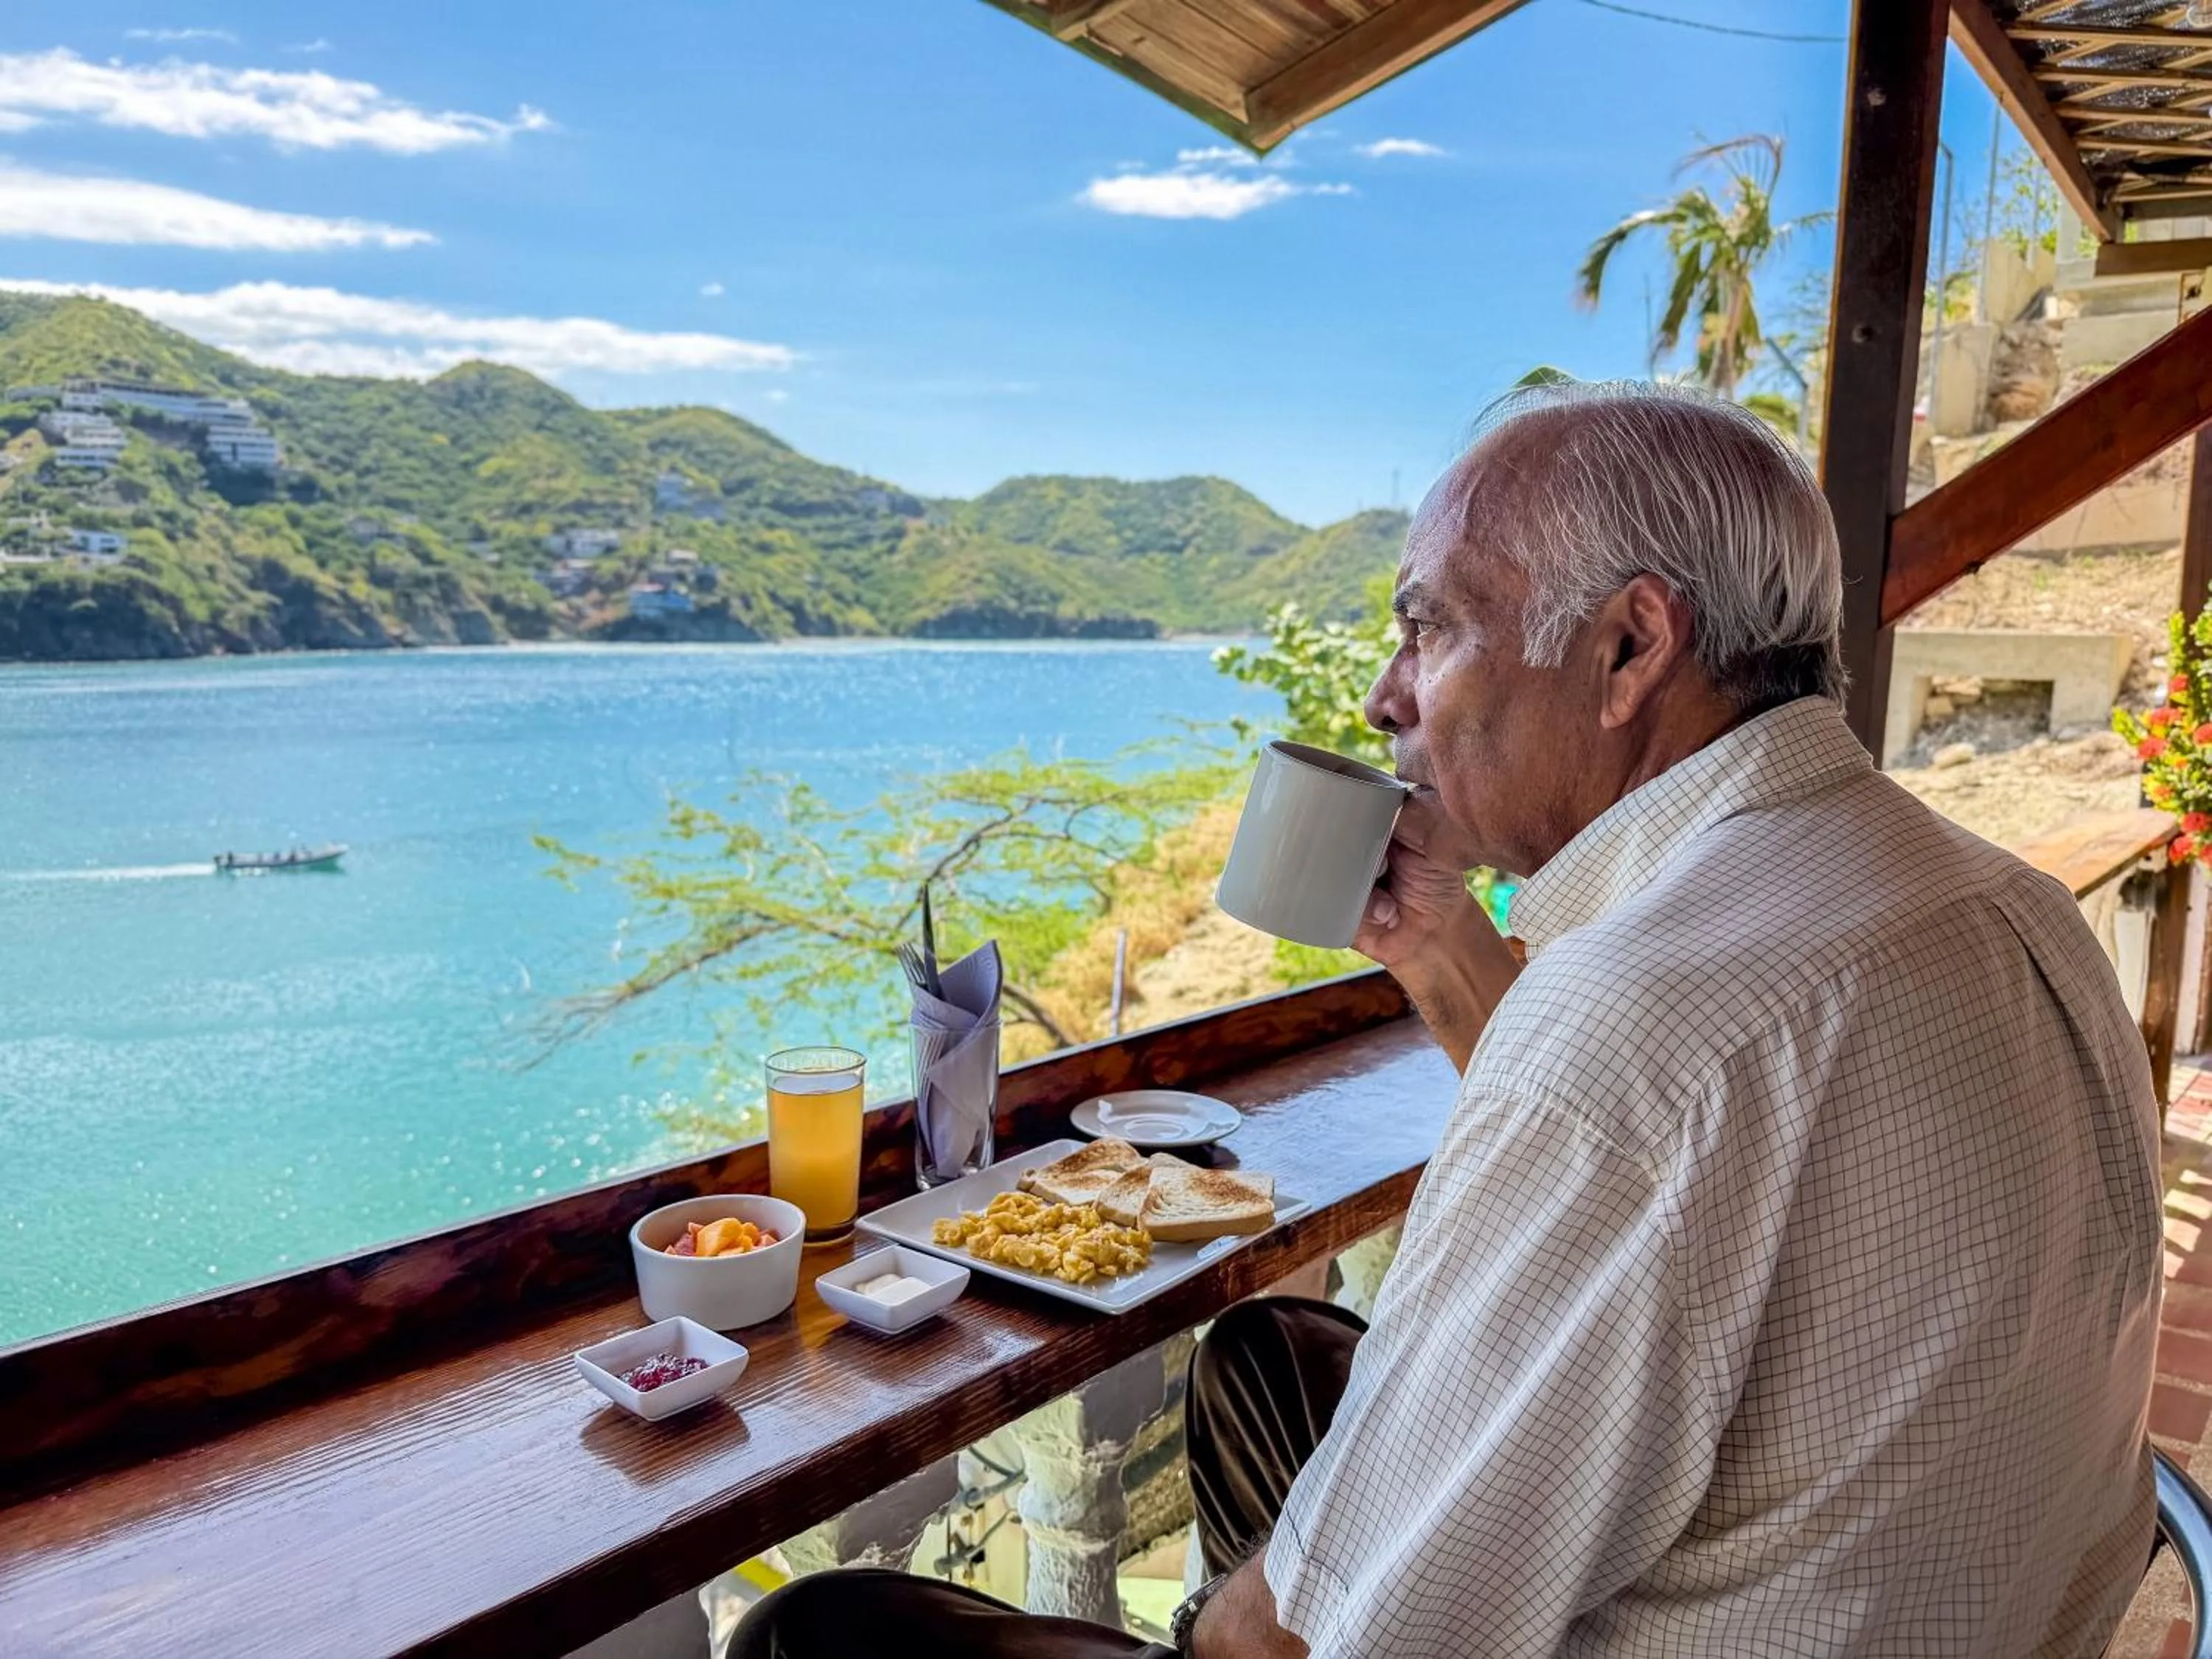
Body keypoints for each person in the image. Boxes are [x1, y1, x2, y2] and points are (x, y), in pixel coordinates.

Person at [731, 380, 2163, 1658]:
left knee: (821, 1632)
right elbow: (1674, 1187)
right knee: (1270, 1361)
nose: (1382, 698)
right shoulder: (2006, 903)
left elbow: (1357, 1635)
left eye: (1428, 627)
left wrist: (1210, 1632)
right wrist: (1435, 944)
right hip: (1990, 1600)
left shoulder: (1638, 1019)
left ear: (1630, 646)